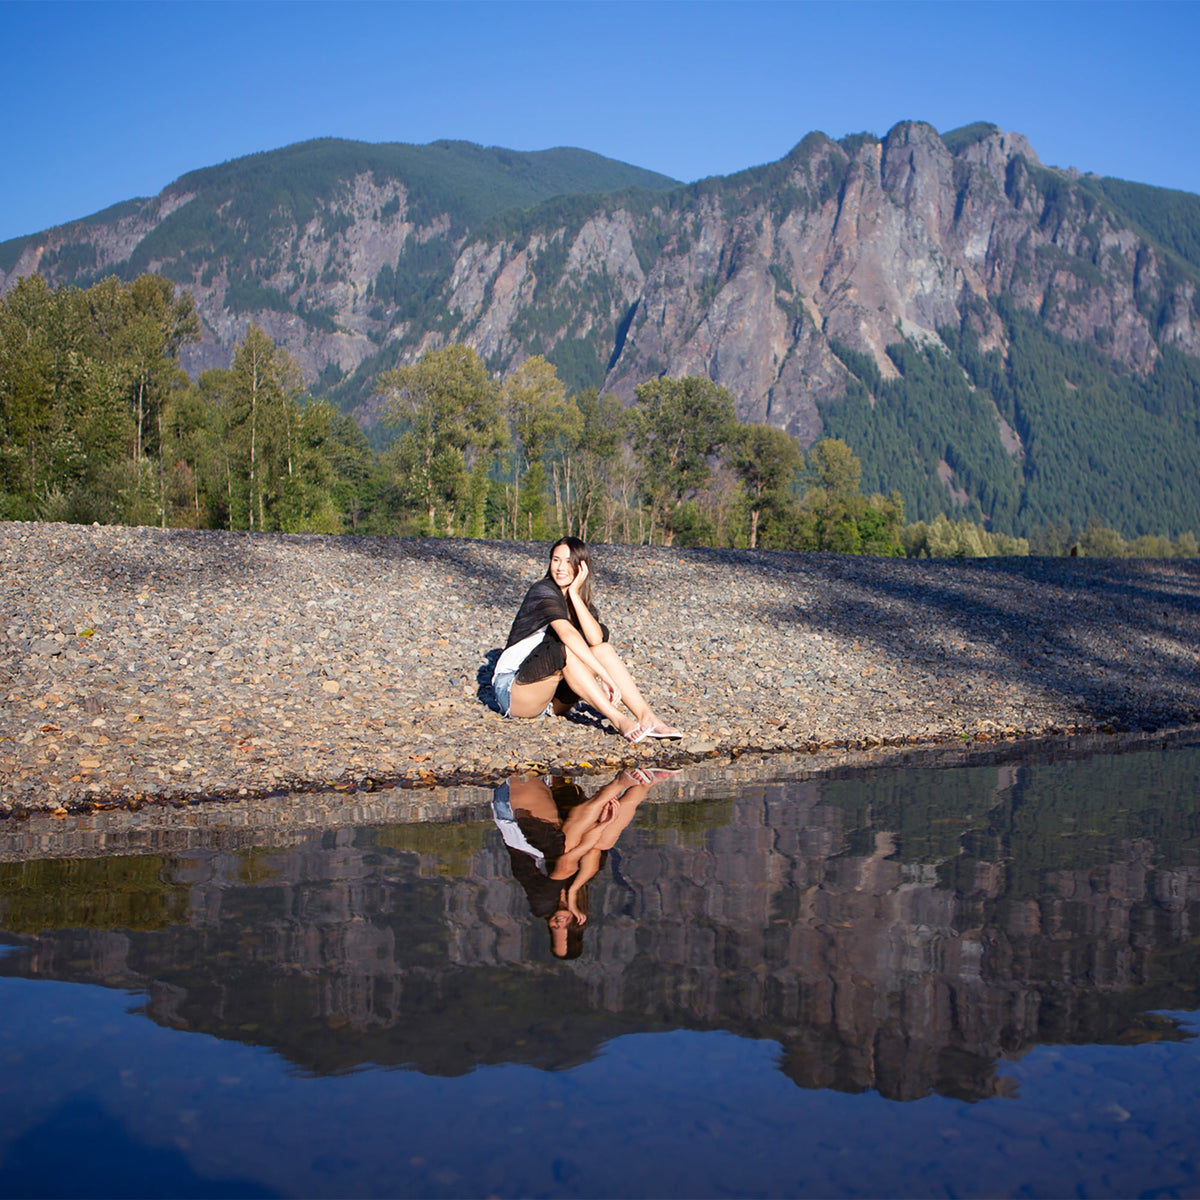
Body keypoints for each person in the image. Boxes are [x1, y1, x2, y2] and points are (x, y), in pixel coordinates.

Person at [491, 537, 682, 743]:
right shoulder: (543, 591)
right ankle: (618, 720)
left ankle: (647, 718)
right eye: (556, 560)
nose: (560, 567)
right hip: (514, 691)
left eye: (568, 561)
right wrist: (604, 676)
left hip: (552, 700)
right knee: (566, 647)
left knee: (603, 649)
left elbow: (596, 638)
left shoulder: (577, 600)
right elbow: (567, 635)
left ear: (581, 567)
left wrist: (574, 593)